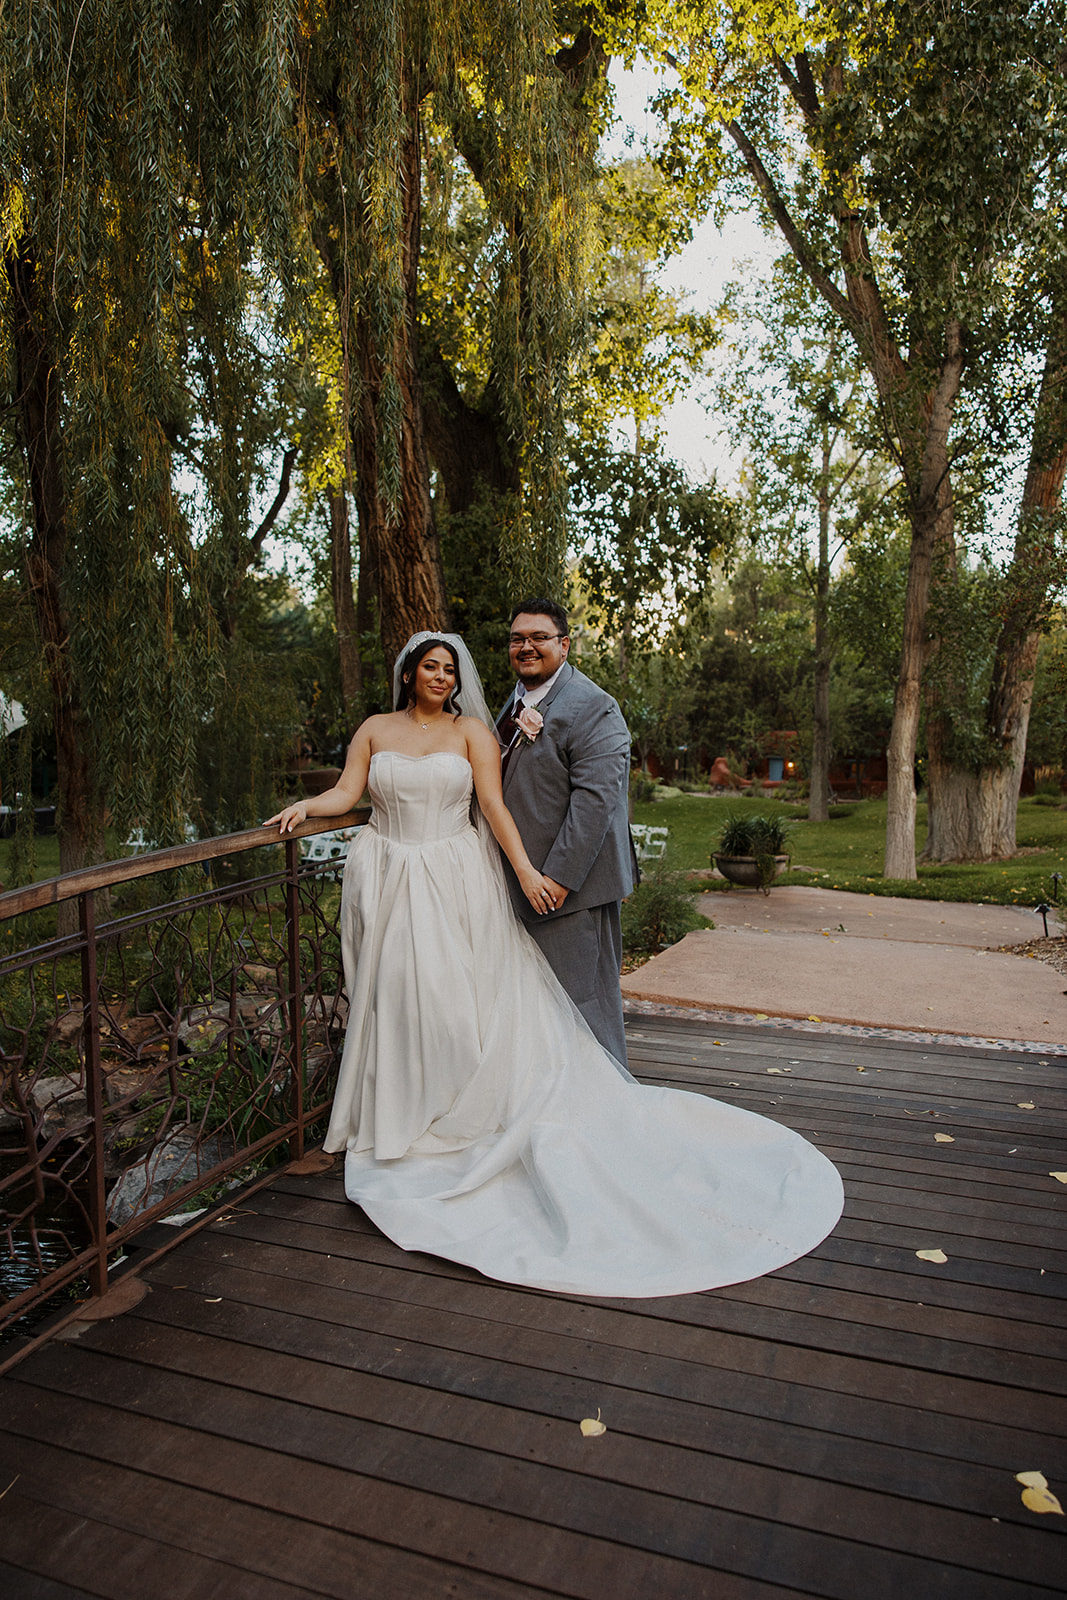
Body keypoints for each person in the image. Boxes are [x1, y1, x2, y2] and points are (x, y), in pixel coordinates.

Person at [268, 631, 844, 1298]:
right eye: (429, 667)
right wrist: (306, 807)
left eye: (448, 670)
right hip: (390, 876)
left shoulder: (473, 733)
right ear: (407, 672)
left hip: (454, 878)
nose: (439, 678)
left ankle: (456, 1111)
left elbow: (493, 809)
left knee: (452, 999)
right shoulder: (374, 728)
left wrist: (527, 872)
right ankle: (399, 1111)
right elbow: (345, 794)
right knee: (395, 996)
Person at [495, 599, 634, 1064]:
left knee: (585, 1010)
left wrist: (556, 880)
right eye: (518, 639)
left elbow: (595, 804)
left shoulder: (594, 706)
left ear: (565, 645)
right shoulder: (513, 703)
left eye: (539, 637)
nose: (526, 646)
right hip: (523, 888)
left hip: (571, 892)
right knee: (542, 1014)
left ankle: (607, 1110)